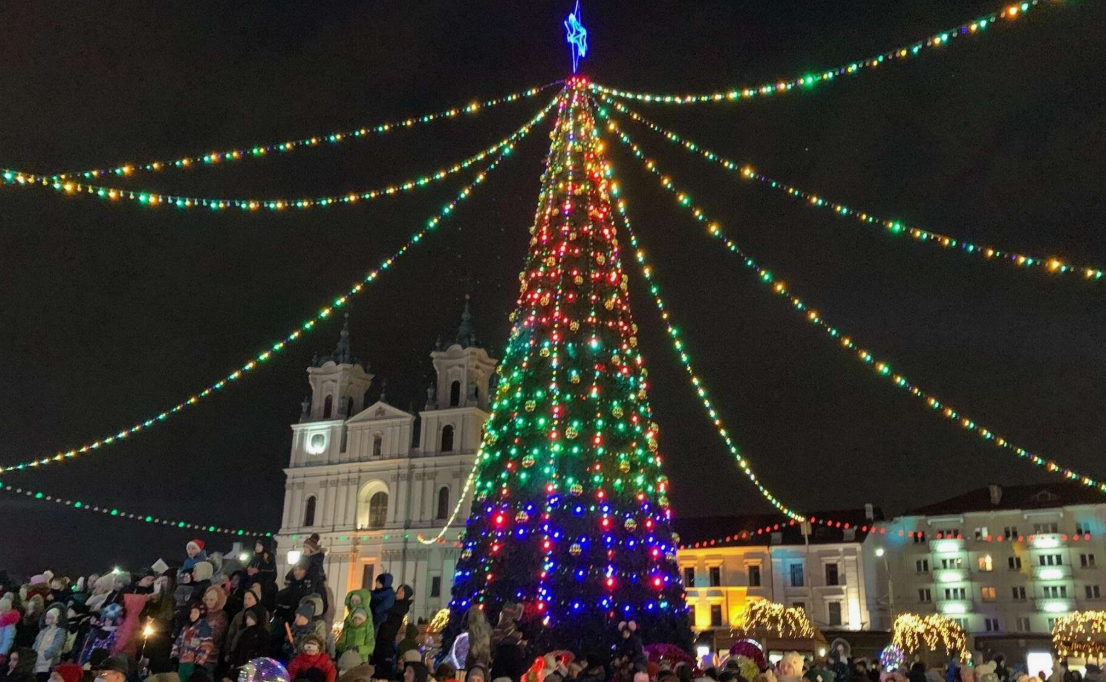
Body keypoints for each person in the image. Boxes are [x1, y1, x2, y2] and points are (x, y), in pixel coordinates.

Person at [369, 584, 412, 679]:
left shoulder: (402, 606)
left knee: (383, 664)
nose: (398, 592)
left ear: (406, 595)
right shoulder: (394, 602)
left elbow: (386, 608)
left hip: (387, 639)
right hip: (381, 636)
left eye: (402, 591)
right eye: (398, 589)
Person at [172, 602, 214, 682]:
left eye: (195, 612)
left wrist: (198, 662)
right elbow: (178, 641)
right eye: (191, 612)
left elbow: (206, 647)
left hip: (192, 663)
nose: (192, 615)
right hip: (182, 661)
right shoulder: (187, 627)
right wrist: (174, 655)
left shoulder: (204, 628)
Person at [31, 605, 66, 681]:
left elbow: (57, 645)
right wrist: (32, 654)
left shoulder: (60, 632)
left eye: (50, 617)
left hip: (48, 663)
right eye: (47, 617)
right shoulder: (43, 630)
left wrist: (46, 655)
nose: (47, 619)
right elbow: (36, 642)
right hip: (37, 660)